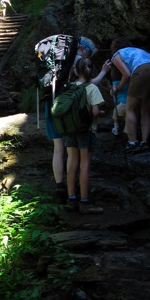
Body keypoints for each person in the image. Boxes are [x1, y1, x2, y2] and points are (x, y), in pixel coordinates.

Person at [45, 36, 110, 201]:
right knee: (79, 159)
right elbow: (88, 86)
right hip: (76, 118)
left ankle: (63, 189)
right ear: (83, 48)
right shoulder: (79, 61)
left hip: (54, 104)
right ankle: (82, 198)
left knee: (58, 149)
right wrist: (103, 72)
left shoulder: (57, 60)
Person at [64, 57, 105, 214]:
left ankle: (71, 199)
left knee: (72, 162)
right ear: (91, 71)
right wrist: (101, 112)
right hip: (85, 131)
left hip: (69, 129)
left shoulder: (70, 86)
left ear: (76, 71)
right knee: (85, 164)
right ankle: (85, 202)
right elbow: (95, 112)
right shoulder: (92, 88)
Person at [111, 38, 150, 153]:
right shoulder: (136, 50)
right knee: (145, 110)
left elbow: (127, 74)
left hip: (143, 70)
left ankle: (132, 142)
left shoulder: (117, 55)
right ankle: (145, 142)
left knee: (130, 108)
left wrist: (119, 88)